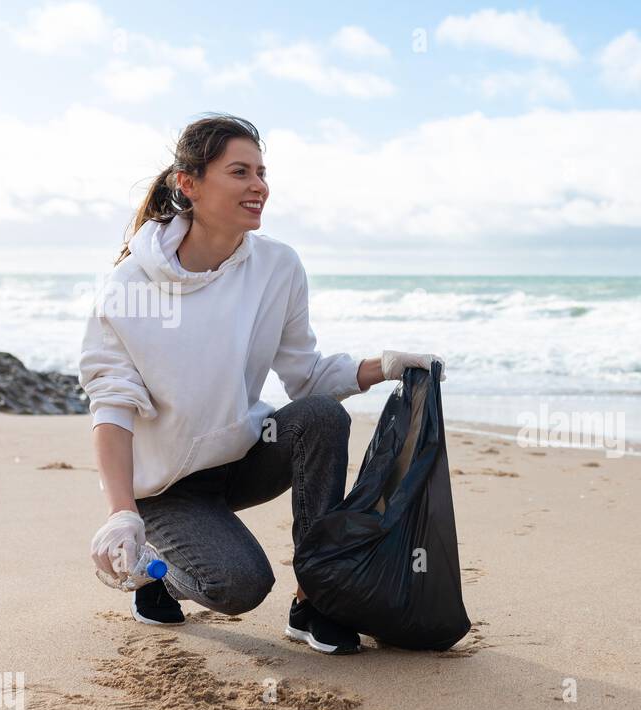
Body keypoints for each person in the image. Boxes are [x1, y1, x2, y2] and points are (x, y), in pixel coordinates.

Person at [81, 114, 444, 655]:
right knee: (239, 586)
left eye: (261, 172)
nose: (259, 186)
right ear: (189, 183)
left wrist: (384, 365)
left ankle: (315, 599)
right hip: (167, 488)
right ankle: (159, 573)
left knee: (322, 416)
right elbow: (111, 405)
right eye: (240, 172)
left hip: (242, 458)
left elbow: (308, 378)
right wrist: (121, 514)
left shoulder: (277, 265)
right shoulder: (129, 285)